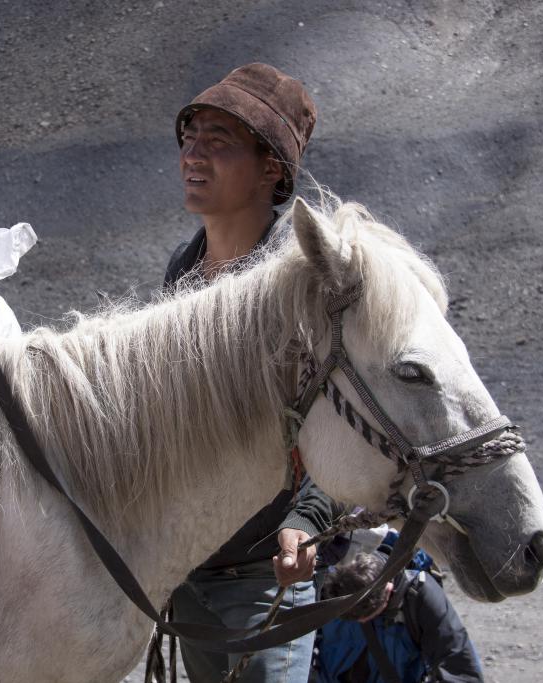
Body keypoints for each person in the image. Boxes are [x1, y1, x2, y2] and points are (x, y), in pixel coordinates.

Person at [164, 62, 333, 682]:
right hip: (189, 569)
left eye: (219, 141)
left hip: (266, 574)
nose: (193, 156)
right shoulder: (182, 275)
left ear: (272, 168)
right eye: (190, 138)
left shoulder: (302, 281)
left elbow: (343, 416)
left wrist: (308, 520)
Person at [314, 552, 483, 683]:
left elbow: (461, 670)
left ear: (388, 589)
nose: (362, 621)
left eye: (368, 614)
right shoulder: (322, 585)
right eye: (350, 618)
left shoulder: (418, 596)